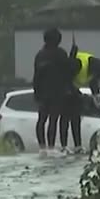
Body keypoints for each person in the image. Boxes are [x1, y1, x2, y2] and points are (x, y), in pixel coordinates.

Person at [32, 28, 71, 157]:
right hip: (57, 92)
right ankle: (51, 147)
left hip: (42, 92)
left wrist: (36, 92)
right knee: (53, 119)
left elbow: (36, 76)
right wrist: (73, 56)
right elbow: (67, 71)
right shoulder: (60, 53)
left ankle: (42, 147)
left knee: (41, 120)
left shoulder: (39, 55)